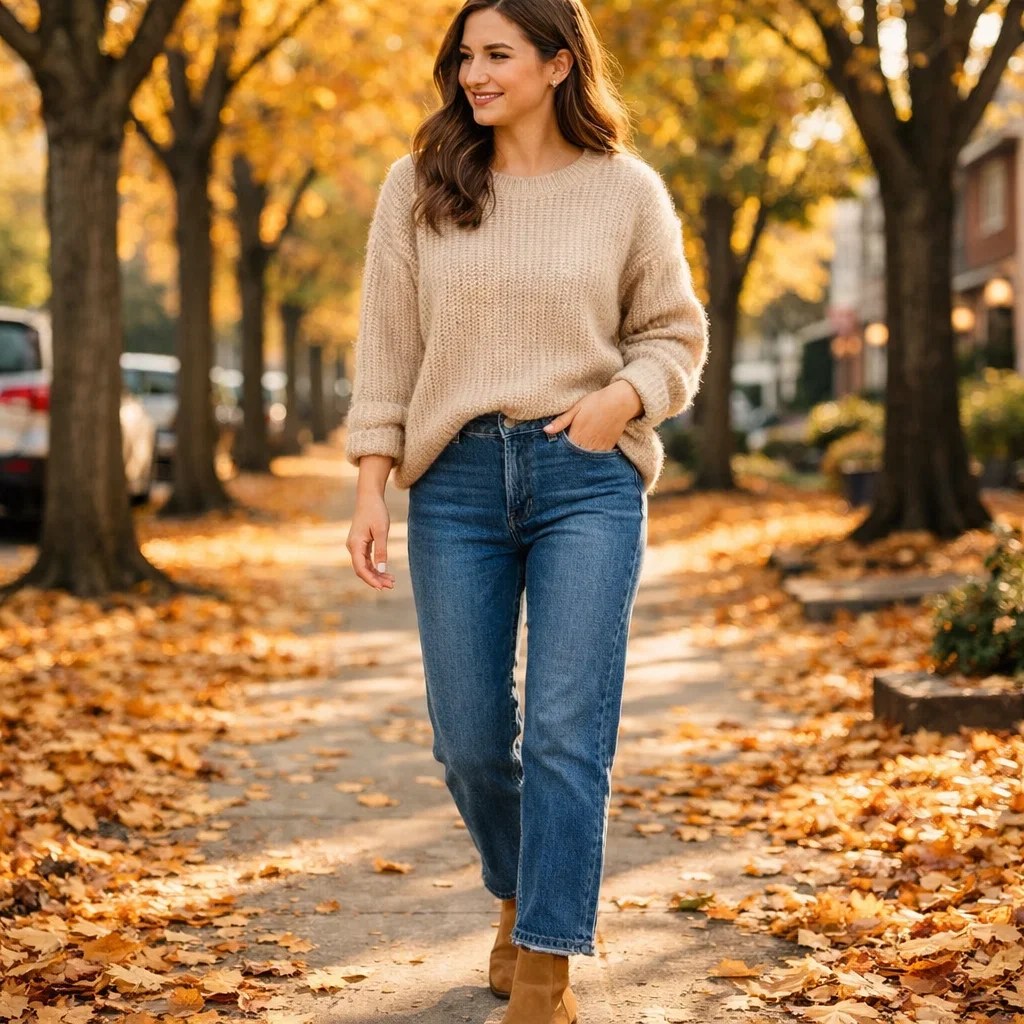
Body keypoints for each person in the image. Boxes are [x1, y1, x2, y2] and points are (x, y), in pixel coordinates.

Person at [344, 0, 709, 1019]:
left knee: (563, 728)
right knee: (466, 736)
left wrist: (619, 401)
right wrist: (372, 483)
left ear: (558, 65)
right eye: (464, 56)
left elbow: (673, 337)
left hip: (582, 476)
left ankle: (545, 965)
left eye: (497, 55)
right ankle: (518, 887)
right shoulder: (416, 187)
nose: (473, 74)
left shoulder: (624, 191)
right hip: (454, 482)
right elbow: (387, 350)